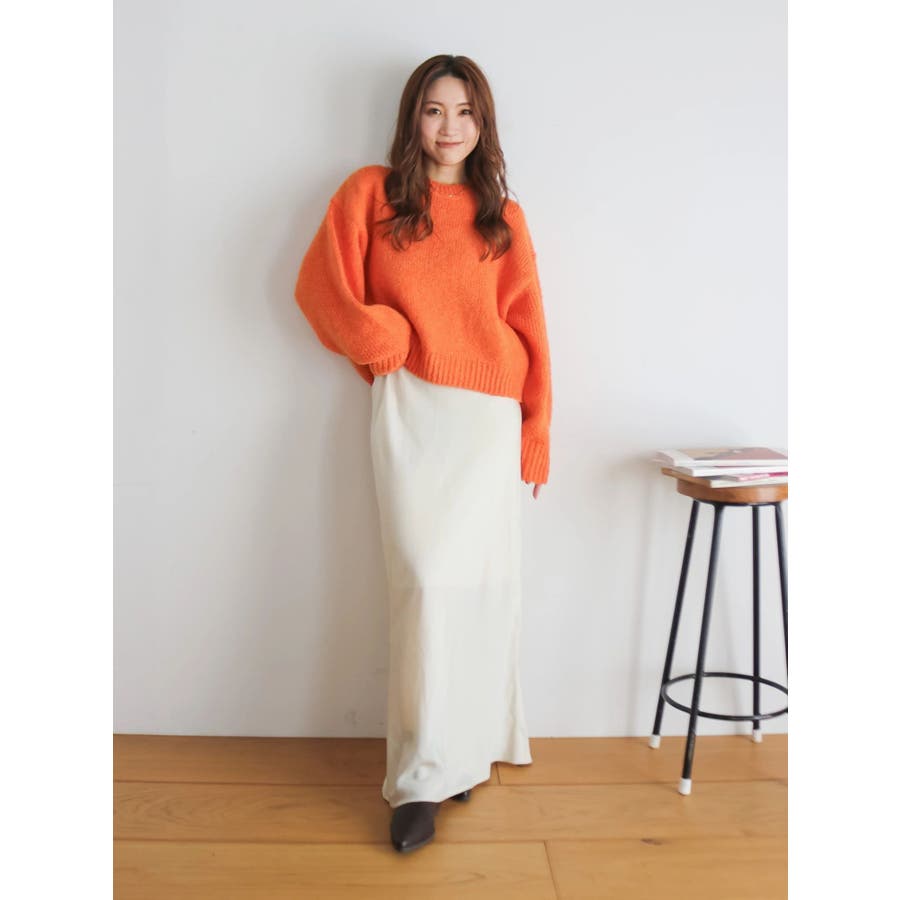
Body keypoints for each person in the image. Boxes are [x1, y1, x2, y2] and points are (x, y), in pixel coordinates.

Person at [293, 54, 552, 854]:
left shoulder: (502, 217)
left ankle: (457, 758)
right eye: (435, 110)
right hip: (411, 409)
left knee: (481, 589)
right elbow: (318, 287)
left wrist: (536, 428)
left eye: (466, 112)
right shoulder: (372, 194)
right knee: (426, 585)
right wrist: (383, 338)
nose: (449, 127)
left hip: (486, 419)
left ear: (484, 123)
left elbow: (530, 326)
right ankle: (420, 778)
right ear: (413, 117)